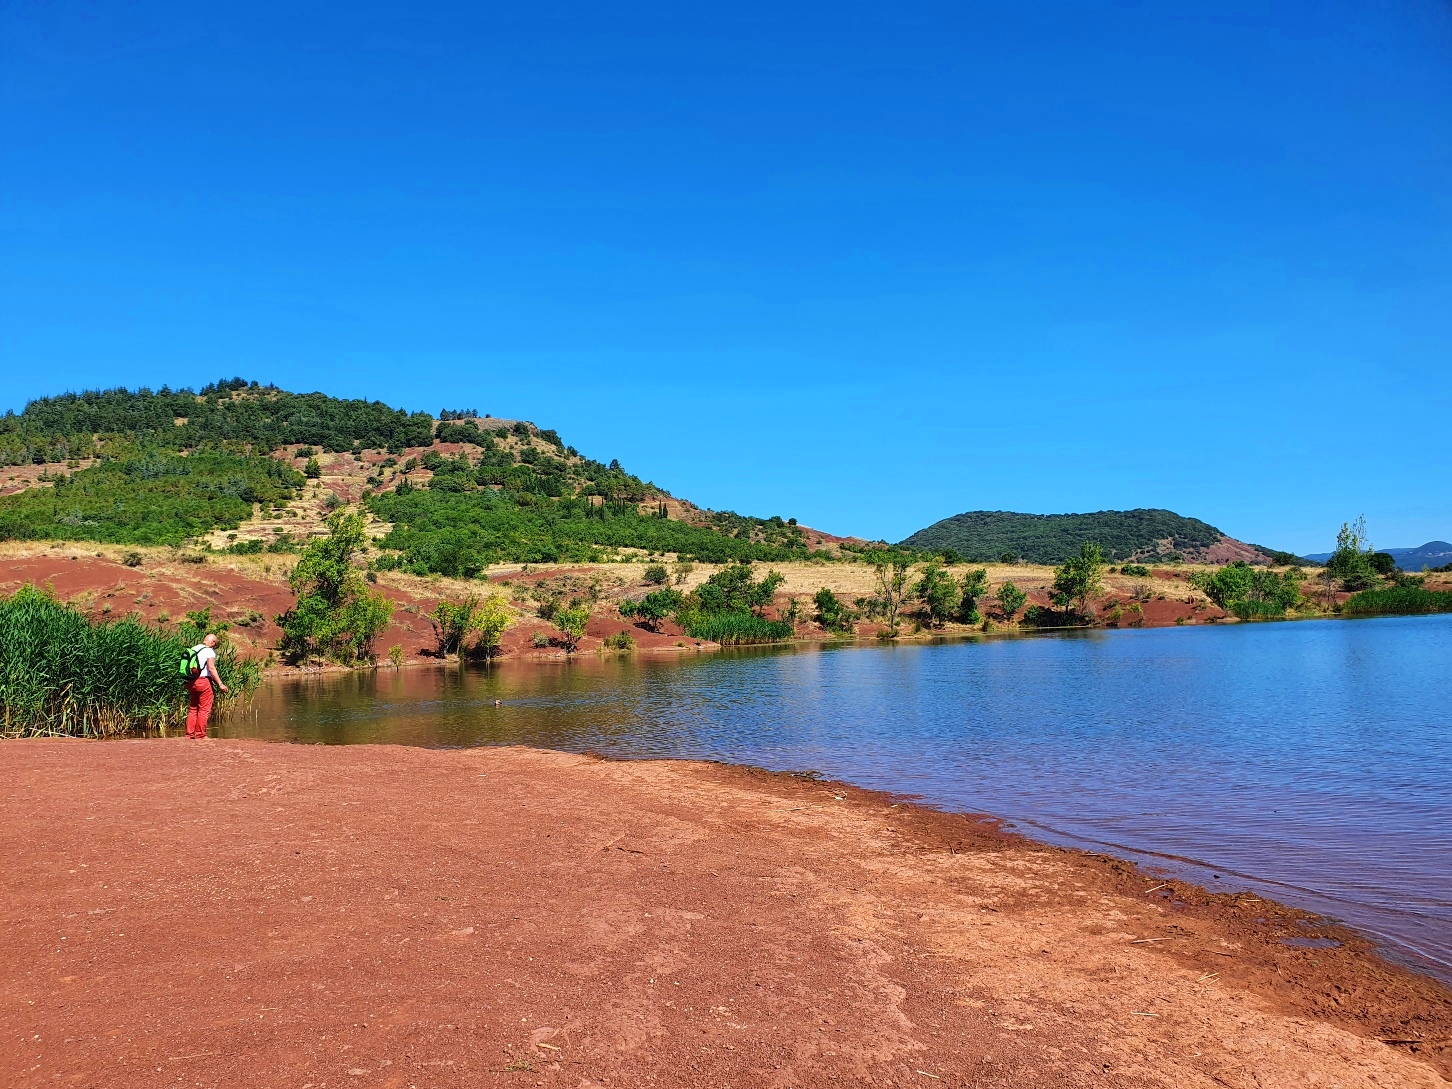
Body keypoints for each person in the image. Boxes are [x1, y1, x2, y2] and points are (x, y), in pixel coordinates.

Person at [186, 633, 228, 739]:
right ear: (212, 642)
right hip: (203, 681)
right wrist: (220, 684)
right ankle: (201, 735)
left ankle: (189, 734)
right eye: (215, 644)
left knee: (193, 708)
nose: (214, 646)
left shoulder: (194, 648)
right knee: (204, 709)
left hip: (191, 681)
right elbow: (211, 668)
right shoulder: (209, 651)